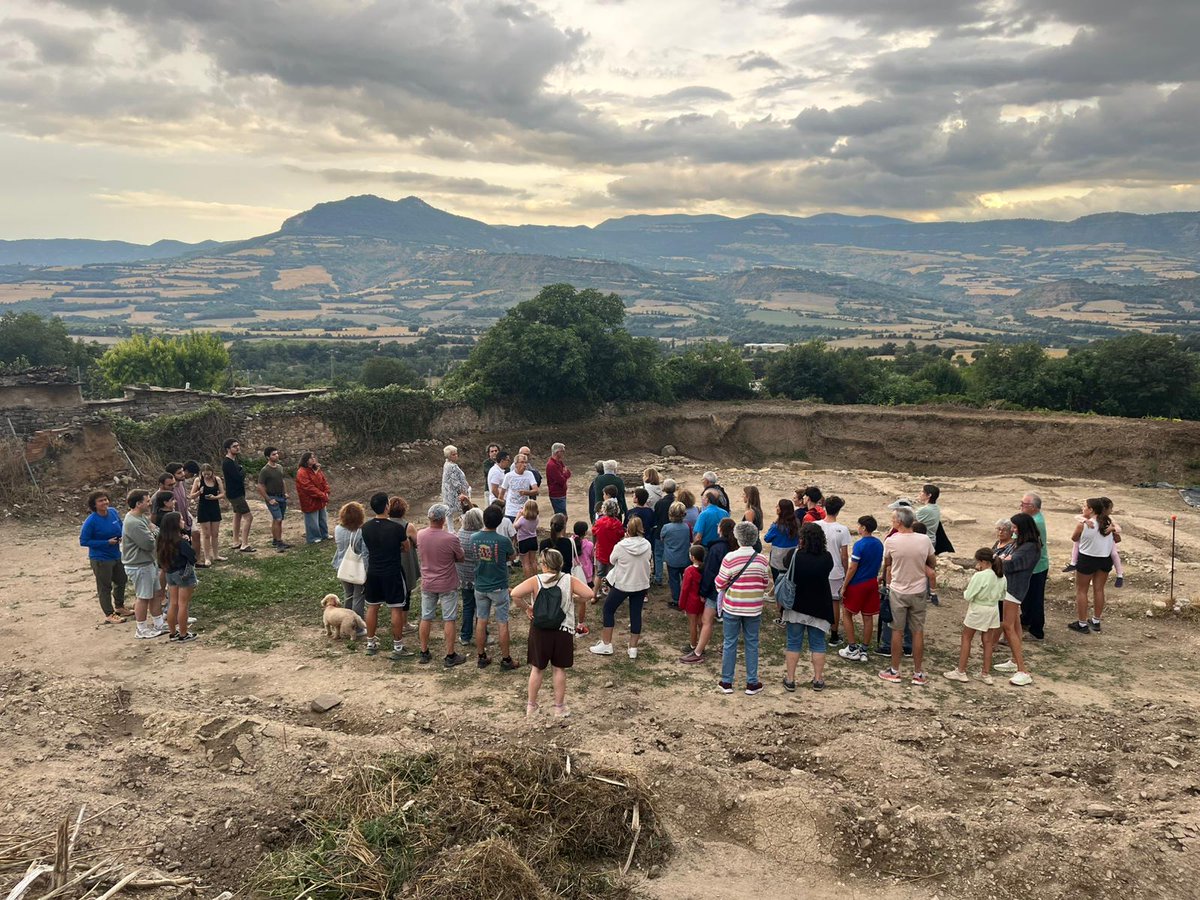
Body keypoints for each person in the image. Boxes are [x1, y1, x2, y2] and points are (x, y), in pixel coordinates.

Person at [511, 548, 594, 718]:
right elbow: (589, 594)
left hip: (540, 629)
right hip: (562, 630)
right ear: (560, 564)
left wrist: (528, 608)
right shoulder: (569, 580)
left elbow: (515, 594)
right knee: (559, 669)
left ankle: (531, 706)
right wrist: (574, 599)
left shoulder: (536, 580)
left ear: (543, 564)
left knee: (537, 669)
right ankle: (559, 707)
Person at [878, 506, 935, 686]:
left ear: (899, 522)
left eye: (893, 519)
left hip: (899, 590)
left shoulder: (892, 541)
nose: (892, 521)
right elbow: (932, 563)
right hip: (918, 590)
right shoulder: (924, 539)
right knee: (917, 631)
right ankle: (918, 672)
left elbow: (888, 563)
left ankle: (895, 670)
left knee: (897, 630)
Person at [715, 521, 770, 696]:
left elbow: (720, 582)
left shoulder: (730, 558)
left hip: (732, 606)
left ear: (737, 537)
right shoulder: (762, 560)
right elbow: (764, 583)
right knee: (752, 643)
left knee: (730, 643)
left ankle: (727, 681)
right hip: (753, 607)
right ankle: (752, 682)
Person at [590, 517, 652, 658]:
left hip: (623, 583)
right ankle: (633, 648)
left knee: (608, 609)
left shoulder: (621, 546)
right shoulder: (647, 544)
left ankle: (606, 644)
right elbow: (648, 558)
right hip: (641, 583)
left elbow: (612, 560)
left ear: (627, 530)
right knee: (635, 614)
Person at [783, 523, 835, 692]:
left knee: (793, 643)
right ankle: (818, 679)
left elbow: (785, 565)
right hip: (820, 606)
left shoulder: (794, 555)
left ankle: (790, 679)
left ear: (802, 538)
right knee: (818, 644)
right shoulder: (827, 557)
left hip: (796, 605)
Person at [415, 504, 467, 668]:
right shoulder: (450, 538)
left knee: (426, 616)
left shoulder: (420, 535)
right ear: (443, 519)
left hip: (428, 582)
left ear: (430, 518)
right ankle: (450, 655)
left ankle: (424, 651)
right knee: (449, 618)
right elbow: (460, 558)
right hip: (447, 583)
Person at [361, 492, 411, 660]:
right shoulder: (396, 528)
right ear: (386, 507)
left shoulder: (366, 527)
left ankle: (370, 643)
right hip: (392, 572)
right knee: (396, 607)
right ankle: (397, 646)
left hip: (373, 572)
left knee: (372, 607)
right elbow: (406, 548)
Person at [944, 548, 1004, 685]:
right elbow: (1002, 595)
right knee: (988, 641)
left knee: (966, 638)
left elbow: (969, 595)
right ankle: (985, 673)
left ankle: (961, 671)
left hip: (978, 608)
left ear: (982, 561)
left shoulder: (980, 576)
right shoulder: (1001, 576)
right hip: (993, 609)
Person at [470, 505, 519, 670]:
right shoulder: (502, 540)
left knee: (481, 620)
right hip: (499, 586)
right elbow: (513, 555)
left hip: (480, 586)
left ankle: (481, 656)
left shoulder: (474, 538)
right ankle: (506, 659)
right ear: (499, 522)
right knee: (502, 622)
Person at [992, 513, 1038, 686]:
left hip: (1014, 588)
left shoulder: (1029, 547)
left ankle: (1022, 670)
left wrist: (1001, 559)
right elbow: (1009, 559)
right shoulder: (1024, 544)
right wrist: (1005, 558)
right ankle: (1013, 660)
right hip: (1011, 587)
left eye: (1015, 527)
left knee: (1007, 625)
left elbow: (1012, 563)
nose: (1012, 530)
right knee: (1016, 624)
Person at [681, 517, 735, 664]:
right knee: (730, 620)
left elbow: (710, 573)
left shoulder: (716, 548)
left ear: (721, 530)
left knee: (706, 620)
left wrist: (703, 592)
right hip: (732, 589)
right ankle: (724, 646)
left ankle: (698, 651)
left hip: (715, 590)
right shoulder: (734, 546)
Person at [1069, 498, 1118, 635]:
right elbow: (1116, 536)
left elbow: (1074, 538)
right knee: (1099, 589)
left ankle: (1082, 623)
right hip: (1105, 559)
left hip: (1087, 558)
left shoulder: (1083, 525)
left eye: (1085, 506)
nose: (1083, 508)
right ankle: (1096, 620)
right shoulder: (1108, 522)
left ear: (1091, 509)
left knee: (1082, 590)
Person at [80, 490, 130, 623]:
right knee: (104, 586)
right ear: (94, 505)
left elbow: (121, 526)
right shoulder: (91, 521)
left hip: (116, 554)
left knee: (121, 580)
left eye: (105, 499)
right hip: (101, 558)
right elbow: (84, 541)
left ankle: (119, 606)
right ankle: (109, 613)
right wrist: (106, 542)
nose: (104, 502)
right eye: (100, 501)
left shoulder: (113, 512)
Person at [839, 515, 883, 662]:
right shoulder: (879, 544)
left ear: (864, 528)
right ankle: (864, 649)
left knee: (846, 613)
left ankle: (852, 648)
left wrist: (844, 585)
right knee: (868, 616)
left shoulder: (860, 545)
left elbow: (852, 567)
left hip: (858, 583)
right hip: (872, 582)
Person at [122, 489, 165, 639]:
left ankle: (159, 623)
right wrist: (153, 532)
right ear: (138, 503)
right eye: (147, 501)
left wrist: (153, 531)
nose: (150, 502)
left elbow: (155, 529)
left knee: (155, 594)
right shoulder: (133, 522)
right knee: (143, 597)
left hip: (148, 562)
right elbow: (148, 543)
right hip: (139, 565)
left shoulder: (141, 517)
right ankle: (141, 629)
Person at [157, 511, 198, 642]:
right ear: (175, 524)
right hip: (183, 574)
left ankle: (173, 632)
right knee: (183, 605)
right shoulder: (181, 542)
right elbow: (192, 557)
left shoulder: (162, 540)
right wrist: (189, 542)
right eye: (181, 520)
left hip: (170, 573)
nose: (183, 522)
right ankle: (183, 633)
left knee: (173, 603)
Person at [817, 495, 851, 646]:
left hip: (817, 566)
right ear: (838, 511)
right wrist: (846, 571)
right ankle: (834, 634)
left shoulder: (816, 525)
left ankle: (817, 629)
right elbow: (844, 556)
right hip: (835, 569)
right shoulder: (842, 530)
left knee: (818, 597)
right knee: (834, 602)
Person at [332, 501, 368, 636]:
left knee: (348, 595)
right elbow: (364, 553)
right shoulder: (361, 531)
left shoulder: (338, 529)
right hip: (357, 569)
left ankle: (344, 622)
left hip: (342, 566)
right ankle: (356, 627)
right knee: (359, 597)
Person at [1019, 492, 1049, 641]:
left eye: (1023, 504)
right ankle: (1026, 620)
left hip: (1037, 566)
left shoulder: (1034, 522)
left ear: (1032, 507)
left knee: (1036, 598)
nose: (1020, 507)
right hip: (1032, 565)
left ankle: (1037, 631)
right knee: (1027, 596)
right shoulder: (1033, 519)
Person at [456, 507, 484, 648]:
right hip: (479, 578)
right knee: (481, 608)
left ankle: (465, 636)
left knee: (468, 606)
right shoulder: (480, 537)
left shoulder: (459, 535)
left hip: (464, 577)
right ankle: (483, 634)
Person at [387, 497, 421, 608]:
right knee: (406, 595)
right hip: (405, 563)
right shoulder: (408, 526)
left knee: (393, 594)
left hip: (389, 562)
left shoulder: (384, 524)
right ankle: (405, 622)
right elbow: (418, 543)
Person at [222, 438, 254, 553]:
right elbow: (238, 477)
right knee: (249, 517)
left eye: (238, 445)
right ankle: (244, 544)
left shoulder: (233, 461)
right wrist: (242, 471)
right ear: (228, 449)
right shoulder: (227, 462)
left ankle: (236, 541)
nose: (237, 448)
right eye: (234, 446)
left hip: (237, 492)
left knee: (238, 515)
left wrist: (241, 470)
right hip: (235, 494)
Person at [591, 499, 625, 604]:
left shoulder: (599, 522)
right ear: (616, 510)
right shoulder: (618, 524)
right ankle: (611, 597)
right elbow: (620, 537)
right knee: (613, 575)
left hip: (601, 551)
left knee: (599, 574)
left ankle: (594, 594)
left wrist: (595, 545)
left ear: (604, 509)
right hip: (613, 553)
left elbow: (594, 533)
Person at [190, 463, 225, 567]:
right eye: (204, 474)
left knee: (215, 533)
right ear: (201, 473)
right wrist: (198, 493)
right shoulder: (198, 480)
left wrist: (215, 497)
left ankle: (216, 555)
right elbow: (191, 495)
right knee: (206, 534)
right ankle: (206, 557)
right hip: (203, 508)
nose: (206, 476)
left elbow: (223, 493)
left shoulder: (217, 480)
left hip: (214, 507)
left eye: (208, 474)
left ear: (212, 472)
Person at [257, 447, 290, 552]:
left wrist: (285, 492)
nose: (276, 456)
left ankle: (276, 540)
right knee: (278, 519)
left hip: (281, 496)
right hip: (272, 497)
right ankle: (279, 543)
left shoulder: (280, 467)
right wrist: (268, 499)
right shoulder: (265, 470)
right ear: (268, 457)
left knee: (278, 520)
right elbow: (260, 486)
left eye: (277, 454)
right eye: (273, 454)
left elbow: (282, 481)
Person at [661, 501, 693, 608]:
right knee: (685, 579)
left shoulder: (666, 527)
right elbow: (691, 539)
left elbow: (662, 538)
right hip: (685, 557)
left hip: (672, 558)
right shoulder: (687, 526)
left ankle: (676, 599)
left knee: (674, 580)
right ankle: (686, 598)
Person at [295, 451, 331, 544]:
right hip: (310, 500)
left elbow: (323, 481)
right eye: (311, 458)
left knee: (322, 518)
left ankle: (324, 534)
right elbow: (309, 487)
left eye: (314, 457)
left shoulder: (316, 470)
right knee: (312, 520)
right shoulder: (302, 472)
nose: (314, 459)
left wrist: (326, 491)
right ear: (306, 460)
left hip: (320, 498)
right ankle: (313, 537)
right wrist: (323, 495)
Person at [763, 499, 801, 582]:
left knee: (777, 580)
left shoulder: (776, 526)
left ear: (780, 510)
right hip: (792, 556)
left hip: (778, 558)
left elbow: (767, 538)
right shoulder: (796, 523)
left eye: (778, 506)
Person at [651, 477, 677, 586]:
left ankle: (658, 577)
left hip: (660, 531)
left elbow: (655, 518)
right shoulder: (677, 503)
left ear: (664, 489)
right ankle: (674, 577)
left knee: (658, 555)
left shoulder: (660, 503)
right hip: (675, 531)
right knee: (674, 553)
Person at [679, 545, 705, 654]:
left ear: (693, 557)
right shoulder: (705, 569)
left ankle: (693, 644)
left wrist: (681, 603)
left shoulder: (689, 570)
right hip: (702, 600)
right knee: (701, 623)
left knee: (693, 624)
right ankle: (701, 645)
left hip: (691, 601)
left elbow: (685, 588)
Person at [571, 521, 595, 635]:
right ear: (585, 532)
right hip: (585, 575)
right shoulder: (589, 545)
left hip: (573, 574)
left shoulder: (570, 542)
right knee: (582, 602)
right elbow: (591, 558)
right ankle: (580, 626)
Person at [500, 454, 539, 521]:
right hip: (510, 512)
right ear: (516, 464)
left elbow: (536, 490)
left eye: (526, 462)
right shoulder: (508, 476)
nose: (525, 465)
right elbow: (501, 494)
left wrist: (526, 492)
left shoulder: (529, 474)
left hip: (525, 511)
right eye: (522, 462)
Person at [166, 463, 196, 547]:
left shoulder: (182, 483)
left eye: (182, 471)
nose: (183, 474)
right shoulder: (169, 490)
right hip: (177, 525)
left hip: (186, 521)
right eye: (179, 473)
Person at [441, 445, 471, 522]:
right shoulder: (451, 466)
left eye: (456, 454)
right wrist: (463, 492)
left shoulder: (447, 464)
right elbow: (455, 482)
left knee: (451, 511)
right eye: (453, 454)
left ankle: (452, 528)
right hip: (454, 493)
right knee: (463, 509)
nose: (456, 456)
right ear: (448, 456)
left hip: (449, 492)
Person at [515, 499, 541, 577]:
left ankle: (528, 580)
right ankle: (535, 577)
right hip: (533, 539)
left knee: (525, 563)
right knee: (533, 561)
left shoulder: (522, 519)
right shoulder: (536, 518)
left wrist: (518, 516)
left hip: (523, 541)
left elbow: (515, 526)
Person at [546, 443, 571, 516]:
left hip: (562, 493)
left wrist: (564, 474)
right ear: (557, 452)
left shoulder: (559, 462)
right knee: (562, 516)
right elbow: (561, 480)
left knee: (563, 515)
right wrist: (565, 474)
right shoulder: (551, 465)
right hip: (556, 495)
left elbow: (568, 472)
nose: (564, 453)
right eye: (562, 451)